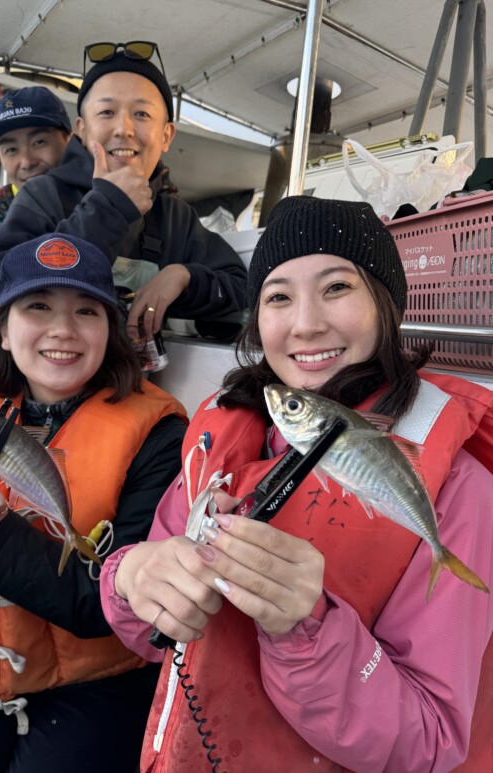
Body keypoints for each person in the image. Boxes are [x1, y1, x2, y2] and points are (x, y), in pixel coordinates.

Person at [99, 196, 493, 772]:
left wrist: (304, 630)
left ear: (387, 305)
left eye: (337, 287)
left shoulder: (461, 488)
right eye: (278, 296)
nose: (306, 323)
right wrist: (130, 578)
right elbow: (148, 631)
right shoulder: (221, 435)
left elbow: (430, 741)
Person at [0, 232, 187, 772]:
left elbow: (110, 604)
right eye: (37, 306)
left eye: (87, 311)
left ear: (110, 329)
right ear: (0, 327)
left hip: (96, 683)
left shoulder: (158, 434)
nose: (63, 329)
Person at [0, 41, 247, 342]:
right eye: (107, 112)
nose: (124, 128)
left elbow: (240, 288)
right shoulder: (42, 196)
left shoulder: (175, 216)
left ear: (166, 136)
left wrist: (183, 278)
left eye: (142, 114)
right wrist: (109, 206)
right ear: (81, 130)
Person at [0, 86, 72, 245]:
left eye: (39, 142)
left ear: (69, 141)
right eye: (11, 150)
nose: (27, 162)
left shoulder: (100, 190)